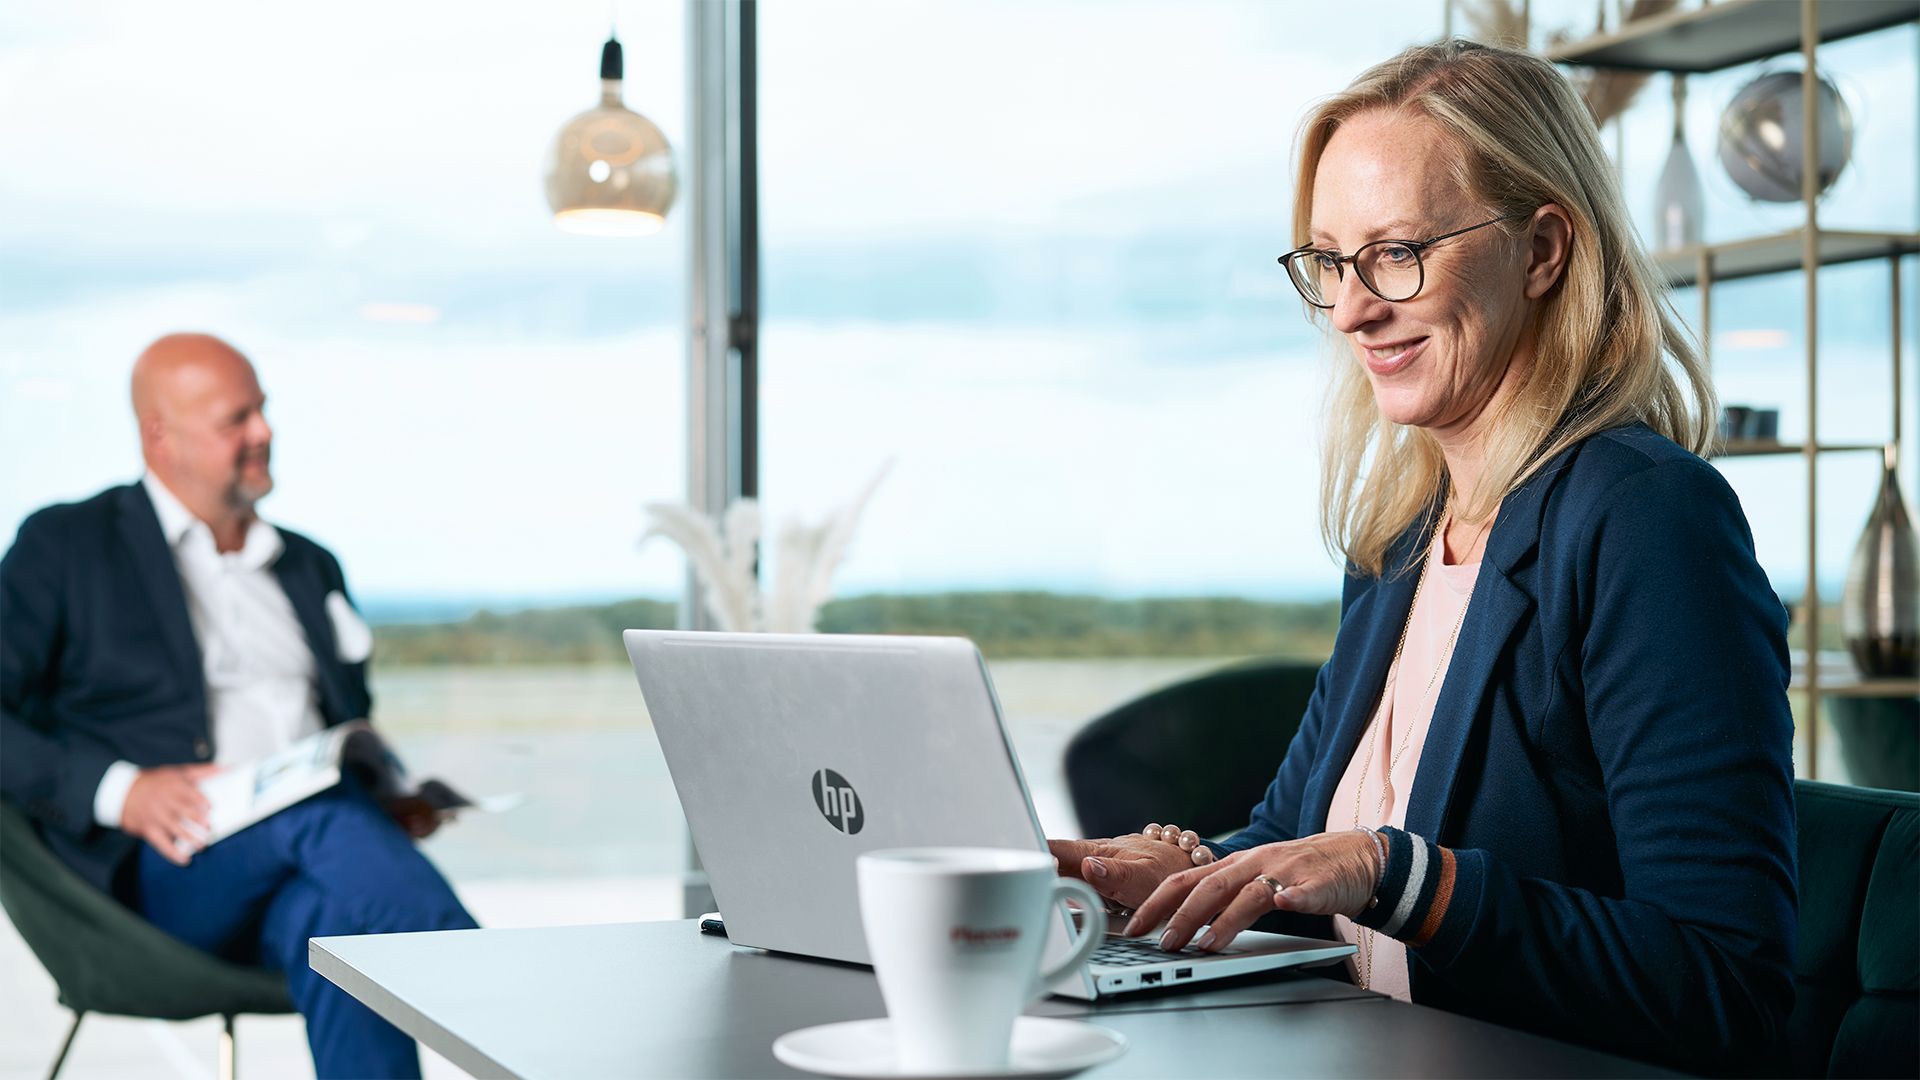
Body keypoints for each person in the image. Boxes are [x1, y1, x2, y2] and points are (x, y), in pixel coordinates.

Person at [1049, 40, 1795, 1075]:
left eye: (1395, 252)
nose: (1352, 308)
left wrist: (1401, 875)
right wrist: (1169, 870)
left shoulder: (1648, 520)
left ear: (1543, 251)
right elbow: (1297, 839)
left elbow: (1730, 988)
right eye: (1330, 260)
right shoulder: (1404, 534)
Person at [1, 333, 476, 1079]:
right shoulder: (67, 546)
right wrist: (120, 791)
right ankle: (514, 1010)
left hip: (319, 854)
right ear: (161, 436)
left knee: (331, 920)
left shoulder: (310, 564)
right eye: (237, 418)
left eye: (264, 411)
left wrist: (393, 791)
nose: (264, 433)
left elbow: (348, 723)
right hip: (172, 866)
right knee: (314, 814)